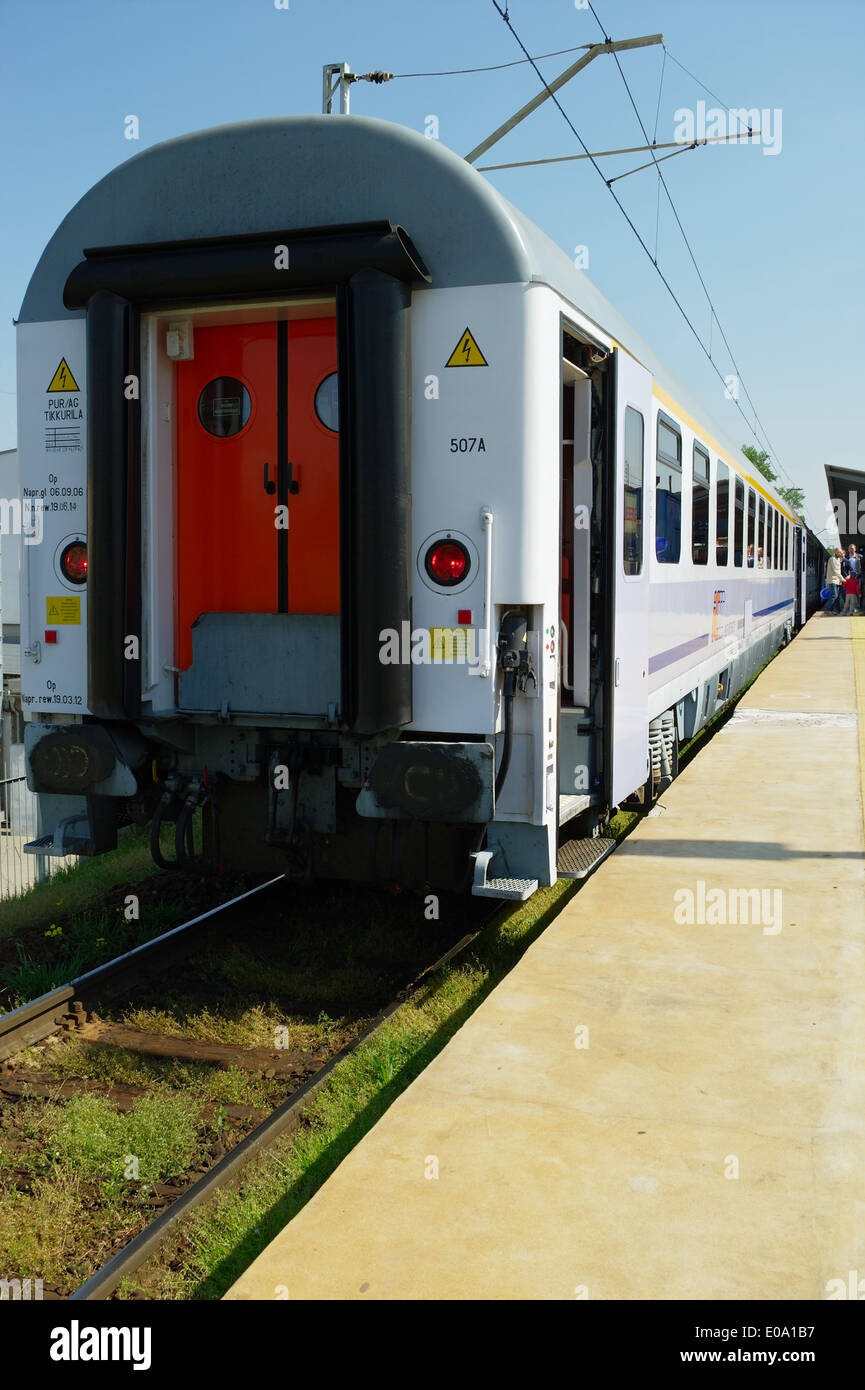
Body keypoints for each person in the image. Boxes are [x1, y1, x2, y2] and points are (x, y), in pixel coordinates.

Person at [824, 548, 844, 613]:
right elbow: (835, 571)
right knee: (834, 595)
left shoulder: (838, 559)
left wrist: (840, 580)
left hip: (837, 581)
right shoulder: (832, 559)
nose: (840, 554)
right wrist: (842, 579)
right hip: (832, 580)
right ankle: (827, 610)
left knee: (836, 597)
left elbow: (839, 571)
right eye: (839, 552)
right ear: (835, 552)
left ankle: (835, 610)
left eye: (840, 552)